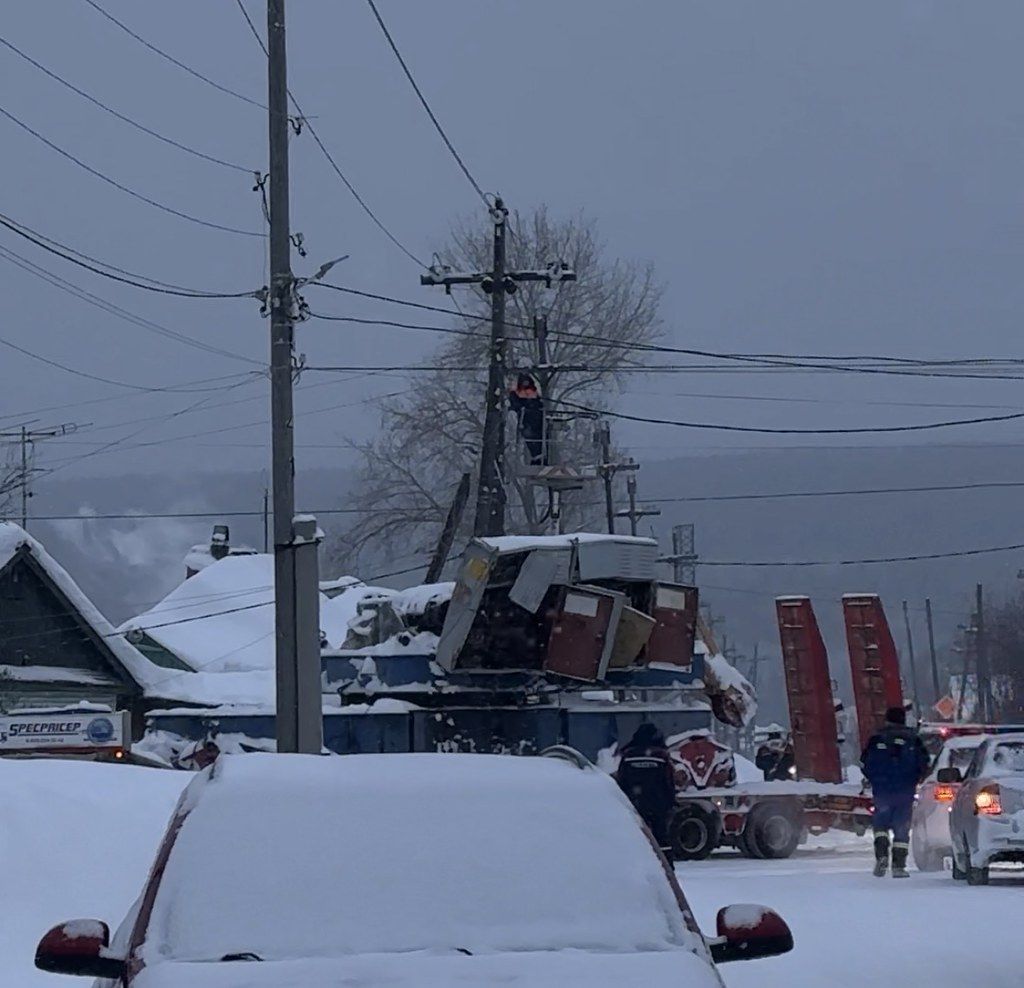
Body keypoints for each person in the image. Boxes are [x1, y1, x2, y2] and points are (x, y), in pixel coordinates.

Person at [860, 707, 930, 878]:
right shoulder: (913, 739)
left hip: (882, 791)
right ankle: (899, 866)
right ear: (903, 720)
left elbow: (865, 762)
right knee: (901, 828)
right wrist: (915, 779)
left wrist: (875, 779)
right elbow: (924, 763)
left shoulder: (877, 738)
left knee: (880, 825)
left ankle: (882, 856)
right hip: (905, 791)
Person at [615, 723, 676, 850]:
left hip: (634, 804)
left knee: (636, 836)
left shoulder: (628, 755)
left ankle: (638, 857)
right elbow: (669, 781)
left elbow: (621, 781)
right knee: (661, 837)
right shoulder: (661, 756)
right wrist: (670, 803)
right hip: (658, 804)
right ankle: (665, 863)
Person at [508, 373, 545, 465]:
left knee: (540, 437)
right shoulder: (515, 393)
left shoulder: (535, 392)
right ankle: (536, 457)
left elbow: (539, 403)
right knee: (529, 437)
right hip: (526, 419)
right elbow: (514, 404)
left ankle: (540, 457)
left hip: (537, 419)